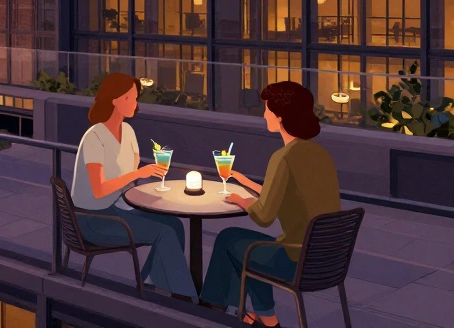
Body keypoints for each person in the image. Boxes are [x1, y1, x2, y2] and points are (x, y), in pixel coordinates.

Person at [200, 81, 341, 326]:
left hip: (297, 260)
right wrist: (247, 183)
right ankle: (255, 316)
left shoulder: (283, 157)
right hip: (329, 260)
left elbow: (264, 216)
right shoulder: (319, 154)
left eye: (267, 109)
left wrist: (242, 200)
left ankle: (220, 310)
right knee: (251, 249)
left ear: (281, 115)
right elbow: (293, 196)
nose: (264, 114)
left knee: (230, 240)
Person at [71, 73, 197, 300]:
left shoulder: (128, 132)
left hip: (118, 207)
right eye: (130, 98)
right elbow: (99, 189)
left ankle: (152, 280)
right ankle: (185, 299)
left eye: (136, 98)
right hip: (92, 218)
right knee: (164, 232)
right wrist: (139, 173)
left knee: (174, 224)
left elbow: (132, 175)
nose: (136, 104)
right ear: (114, 100)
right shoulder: (94, 137)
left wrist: (146, 185)